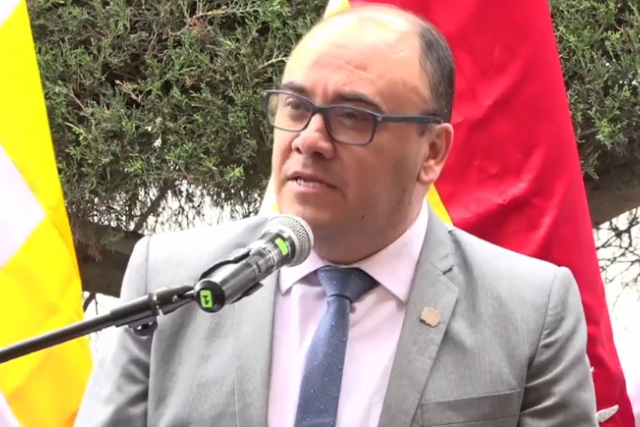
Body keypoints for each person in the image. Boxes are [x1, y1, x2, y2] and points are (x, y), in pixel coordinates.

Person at [74, 4, 599, 427]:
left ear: (432, 152)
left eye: (352, 116)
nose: (309, 140)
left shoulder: (529, 310)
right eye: (295, 107)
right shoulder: (173, 281)